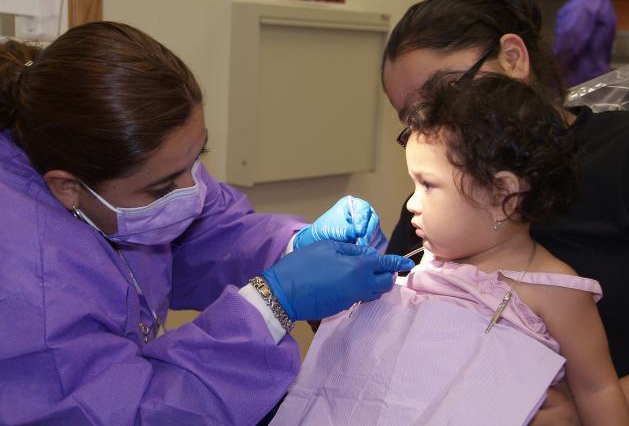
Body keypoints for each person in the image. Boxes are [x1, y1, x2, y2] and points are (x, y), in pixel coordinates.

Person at [0, 22, 414, 425]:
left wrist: (291, 245)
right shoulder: (26, 281)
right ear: (68, 188)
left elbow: (202, 232)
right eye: (164, 186)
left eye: (198, 157)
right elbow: (124, 412)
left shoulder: (118, 173)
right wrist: (270, 304)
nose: (192, 191)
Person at [272, 72, 629, 426]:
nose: (411, 203)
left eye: (427, 185)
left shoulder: (556, 291)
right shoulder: (426, 265)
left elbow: (597, 390)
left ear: (501, 194)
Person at [382, 0, 629, 426]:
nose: (433, 124)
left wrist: (577, 416)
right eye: (412, 118)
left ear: (513, 58)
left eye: (444, 92)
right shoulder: (433, 205)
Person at [554, 0, 616, 87]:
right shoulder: (603, 1)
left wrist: (553, 73)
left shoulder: (582, 4)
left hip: (579, 83)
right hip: (598, 81)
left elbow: (568, 45)